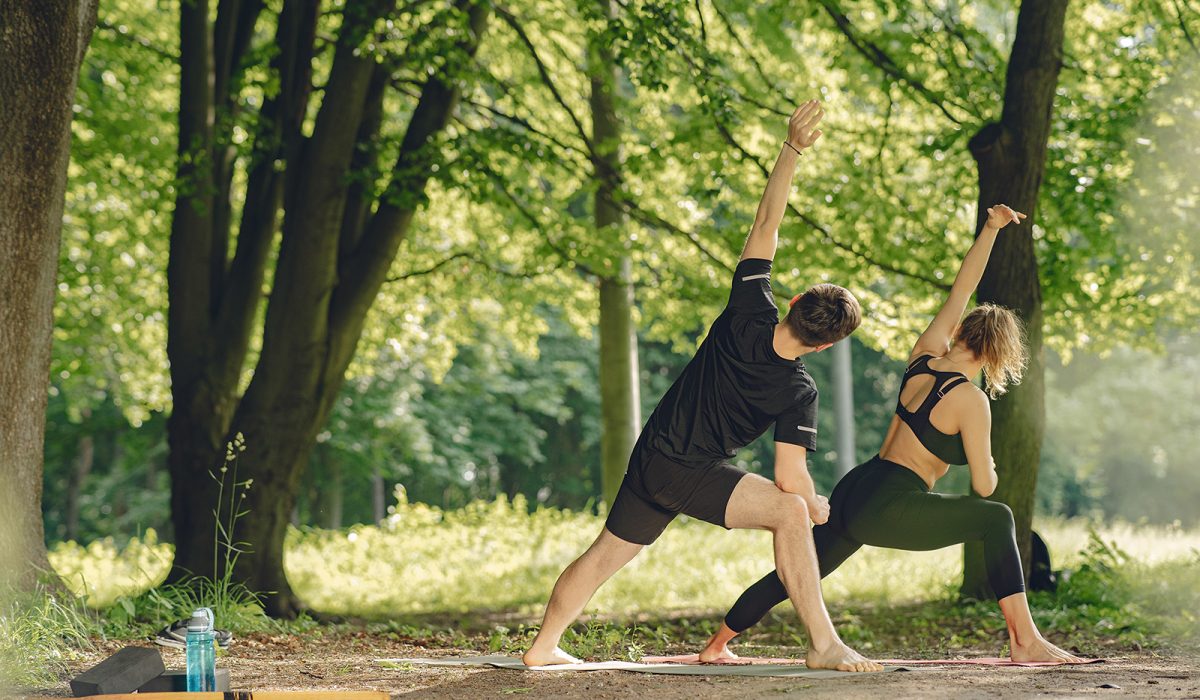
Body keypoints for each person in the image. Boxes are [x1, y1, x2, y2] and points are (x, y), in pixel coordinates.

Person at [522, 100, 881, 672]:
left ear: (792, 304)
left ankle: (542, 649)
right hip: (688, 471)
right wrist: (814, 504)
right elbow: (790, 479)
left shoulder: (747, 308)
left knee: (604, 555)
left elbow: (767, 223)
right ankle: (823, 644)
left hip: (652, 454)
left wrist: (791, 148)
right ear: (825, 345)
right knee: (790, 512)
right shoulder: (798, 390)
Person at [698, 204, 1084, 664]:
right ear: (998, 355)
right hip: (893, 501)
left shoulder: (926, 354)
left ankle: (716, 644)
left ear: (961, 332)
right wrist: (989, 459)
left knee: (799, 571)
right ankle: (1024, 641)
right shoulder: (971, 400)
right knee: (996, 516)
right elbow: (983, 486)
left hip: (860, 485)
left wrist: (991, 229)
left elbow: (963, 287)